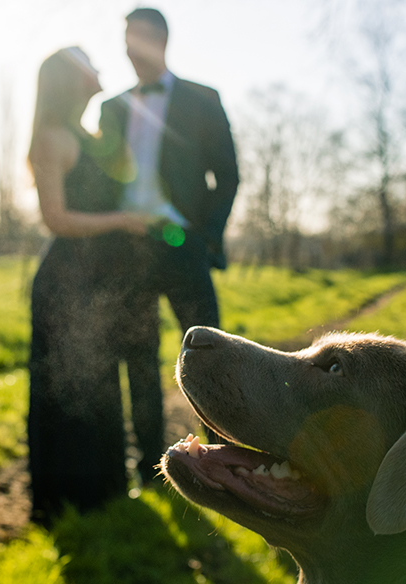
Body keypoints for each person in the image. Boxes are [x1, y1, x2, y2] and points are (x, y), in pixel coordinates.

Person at [99, 7, 240, 479]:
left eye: (133, 40)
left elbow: (229, 175)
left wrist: (206, 237)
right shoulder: (111, 108)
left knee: (208, 356)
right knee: (138, 358)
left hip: (184, 245)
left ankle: (225, 462)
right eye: (122, 41)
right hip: (127, 247)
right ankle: (148, 469)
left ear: (159, 41)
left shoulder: (203, 99)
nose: (125, 51)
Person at [26, 46, 160, 525]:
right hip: (65, 285)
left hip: (98, 283)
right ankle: (67, 499)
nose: (100, 71)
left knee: (99, 383)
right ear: (71, 79)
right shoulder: (52, 138)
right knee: (65, 385)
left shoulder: (90, 134)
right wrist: (123, 220)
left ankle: (103, 492)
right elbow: (55, 218)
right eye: (90, 66)